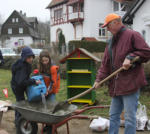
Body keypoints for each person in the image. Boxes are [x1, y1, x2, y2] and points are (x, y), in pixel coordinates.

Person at [93, 13, 150, 134]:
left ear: (117, 22)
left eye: (108, 26)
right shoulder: (110, 42)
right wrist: (98, 80)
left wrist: (131, 57)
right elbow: (105, 64)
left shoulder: (132, 35)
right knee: (113, 116)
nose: (106, 29)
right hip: (116, 86)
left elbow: (146, 52)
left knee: (129, 118)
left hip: (130, 84)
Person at [11, 46, 41, 127]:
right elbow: (22, 82)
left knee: (22, 102)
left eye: (31, 57)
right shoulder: (22, 66)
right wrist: (34, 81)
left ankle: (19, 119)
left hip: (20, 85)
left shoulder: (26, 64)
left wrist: (31, 79)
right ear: (24, 57)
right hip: (17, 87)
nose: (31, 59)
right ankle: (18, 122)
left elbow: (25, 78)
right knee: (21, 103)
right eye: (29, 57)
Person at [38, 50, 60, 133]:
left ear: (49, 59)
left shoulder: (53, 68)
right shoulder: (41, 66)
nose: (44, 62)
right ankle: (47, 126)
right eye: (43, 61)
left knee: (50, 109)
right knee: (45, 108)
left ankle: (51, 128)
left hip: (51, 90)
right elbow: (41, 78)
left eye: (46, 60)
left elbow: (53, 82)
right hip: (45, 90)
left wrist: (48, 91)